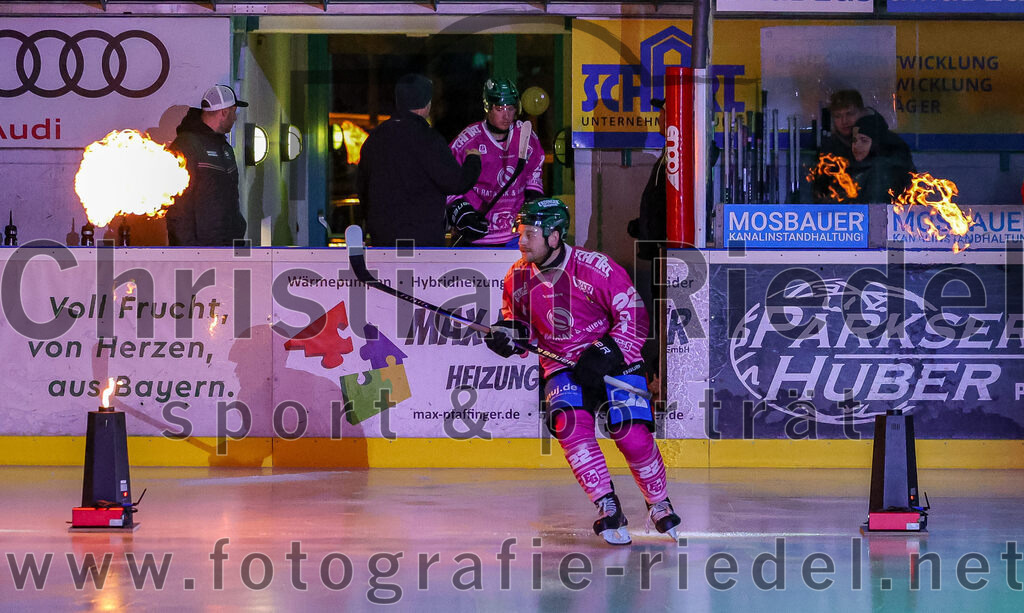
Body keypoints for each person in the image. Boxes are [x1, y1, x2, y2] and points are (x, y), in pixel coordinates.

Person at [484, 198, 680, 545]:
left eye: (531, 234)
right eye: (520, 233)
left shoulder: (596, 268)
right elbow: (520, 327)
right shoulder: (517, 277)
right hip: (561, 364)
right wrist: (509, 336)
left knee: (632, 435)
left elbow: (634, 315)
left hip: (615, 359)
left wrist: (606, 351)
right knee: (570, 426)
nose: (522, 241)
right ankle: (607, 505)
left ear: (555, 237)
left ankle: (658, 502)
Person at [358, 73, 483, 247]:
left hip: (383, 240)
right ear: (427, 104)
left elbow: (363, 190)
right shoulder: (428, 140)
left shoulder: (375, 139)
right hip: (422, 242)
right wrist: (473, 160)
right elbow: (457, 183)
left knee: (388, 276)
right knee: (419, 275)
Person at [447, 78, 545, 246]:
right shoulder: (469, 140)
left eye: (511, 108)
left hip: (514, 238)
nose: (506, 115)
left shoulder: (526, 136)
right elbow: (447, 179)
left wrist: (533, 199)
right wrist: (461, 211)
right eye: (500, 108)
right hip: (477, 236)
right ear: (488, 107)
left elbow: (534, 172)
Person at [167, 85, 248, 246]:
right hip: (200, 251)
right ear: (224, 112)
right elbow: (177, 205)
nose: (235, 117)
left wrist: (238, 234)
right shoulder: (186, 145)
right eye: (234, 111)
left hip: (228, 247)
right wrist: (189, 250)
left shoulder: (226, 148)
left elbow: (231, 198)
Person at [849, 113, 914, 204]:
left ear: (876, 144)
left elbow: (876, 210)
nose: (856, 146)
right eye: (854, 140)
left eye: (864, 140)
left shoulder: (881, 171)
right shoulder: (861, 168)